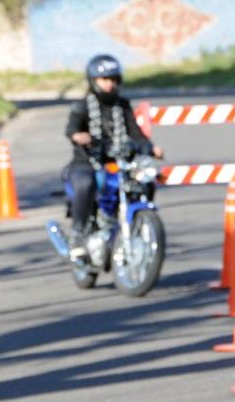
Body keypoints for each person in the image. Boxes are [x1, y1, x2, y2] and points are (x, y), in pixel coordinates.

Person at [64, 54, 163, 257]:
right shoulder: (82, 106)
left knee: (146, 182)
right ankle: (78, 234)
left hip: (118, 162)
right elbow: (71, 129)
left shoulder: (123, 105)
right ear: (93, 81)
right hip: (87, 162)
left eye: (113, 79)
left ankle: (137, 224)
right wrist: (78, 135)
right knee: (85, 184)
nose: (110, 84)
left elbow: (136, 134)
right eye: (105, 79)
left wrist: (151, 148)